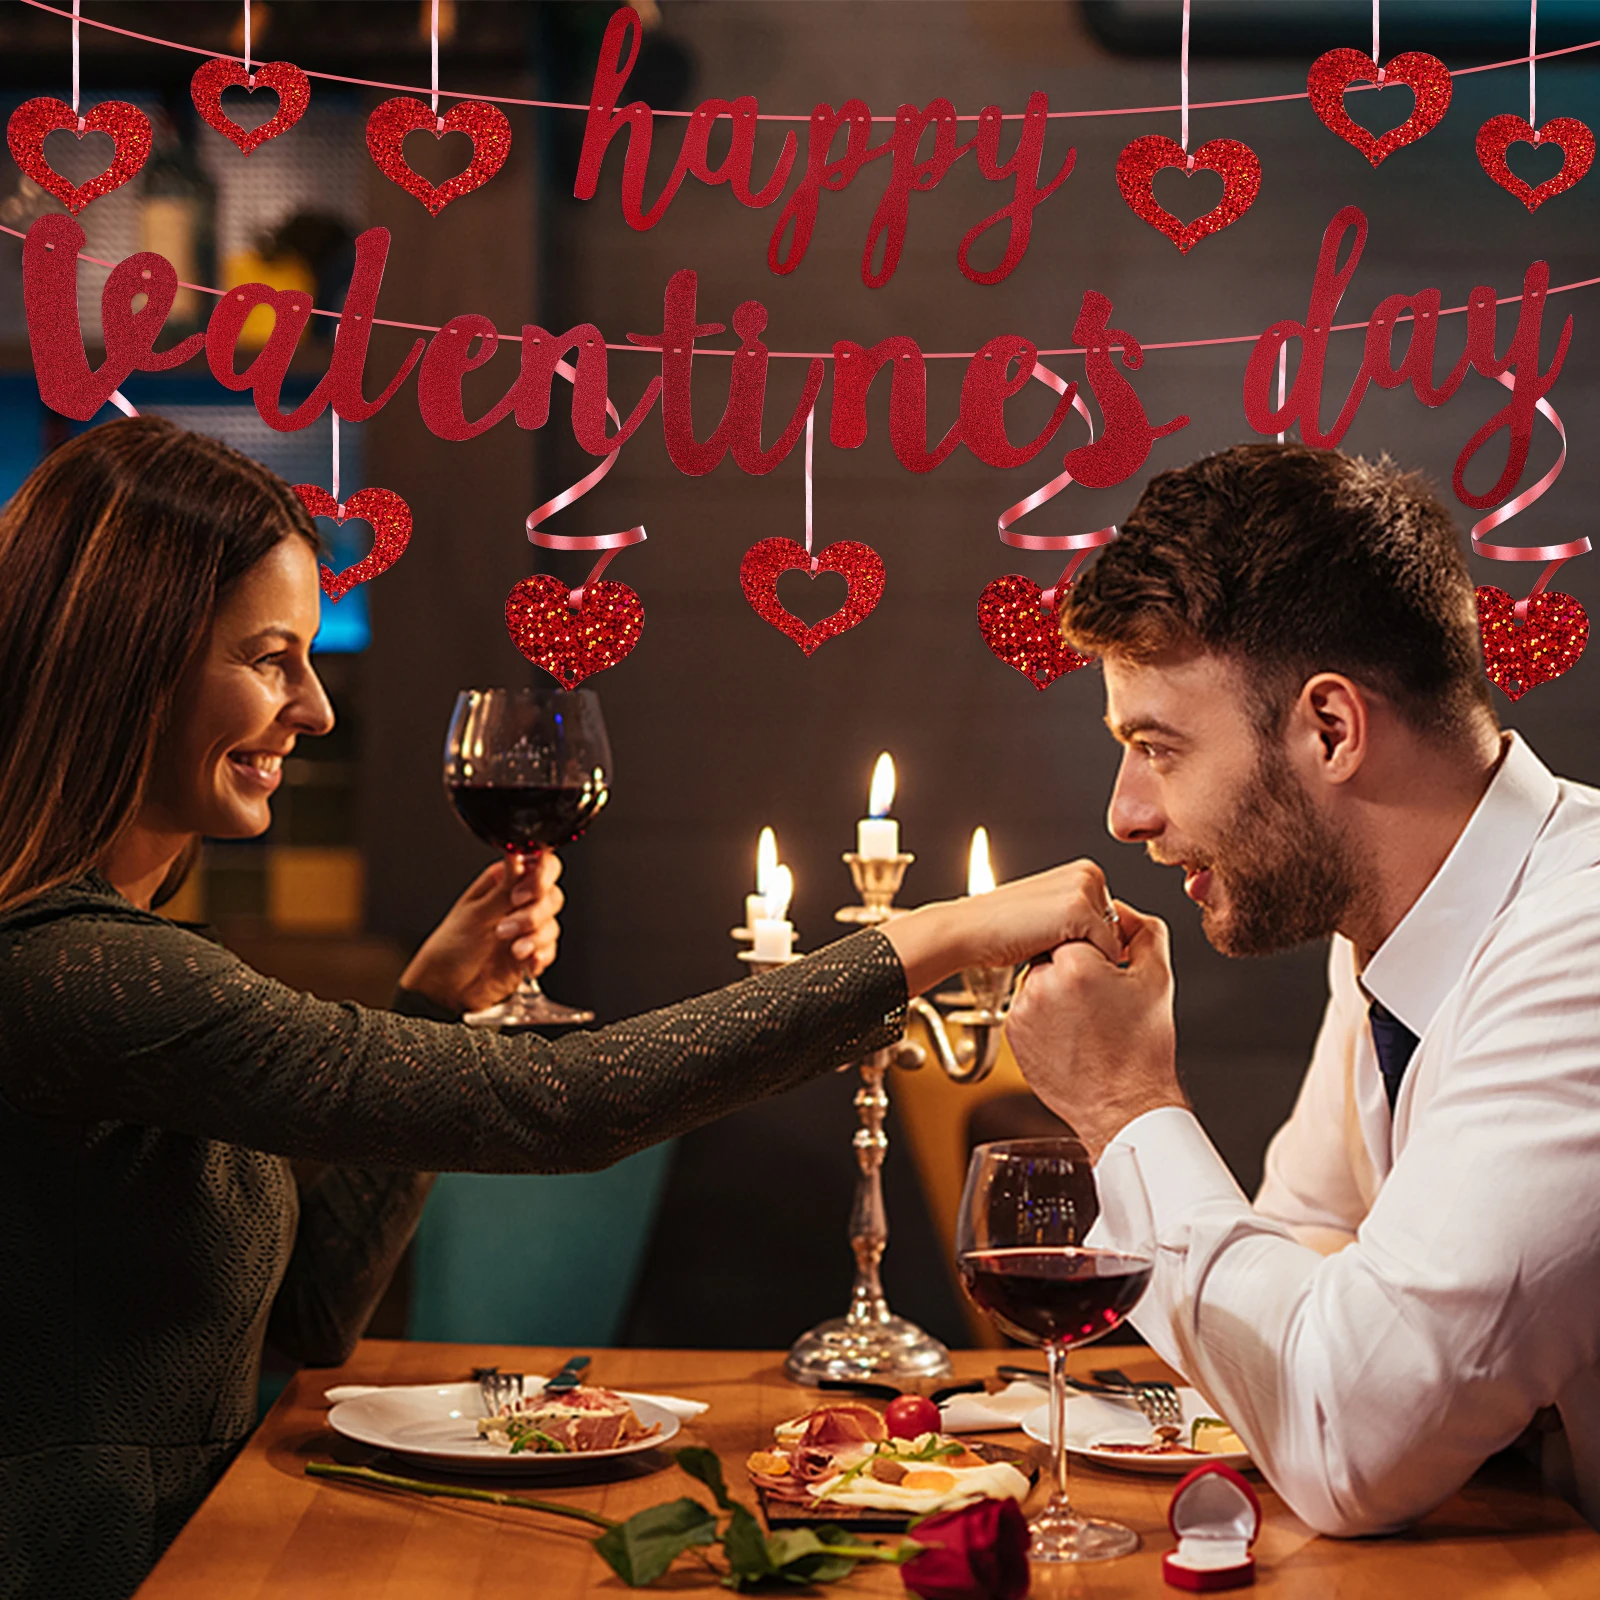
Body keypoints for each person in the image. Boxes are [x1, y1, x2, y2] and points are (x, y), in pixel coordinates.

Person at [0, 418, 1116, 1600]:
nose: (317, 707)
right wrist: (925, 938)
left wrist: (433, 1004)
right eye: (271, 658)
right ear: (135, 660)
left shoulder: (121, 967)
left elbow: (316, 1314)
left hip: (200, 1552)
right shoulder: (77, 975)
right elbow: (565, 1105)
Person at [1005, 441, 1600, 1538]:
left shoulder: (1581, 949)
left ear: (1330, 728)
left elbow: (1345, 1434)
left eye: (1157, 746)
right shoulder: (1395, 921)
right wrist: (1312, 1318)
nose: (1125, 812)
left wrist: (1124, 1106)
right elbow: (1304, 1243)